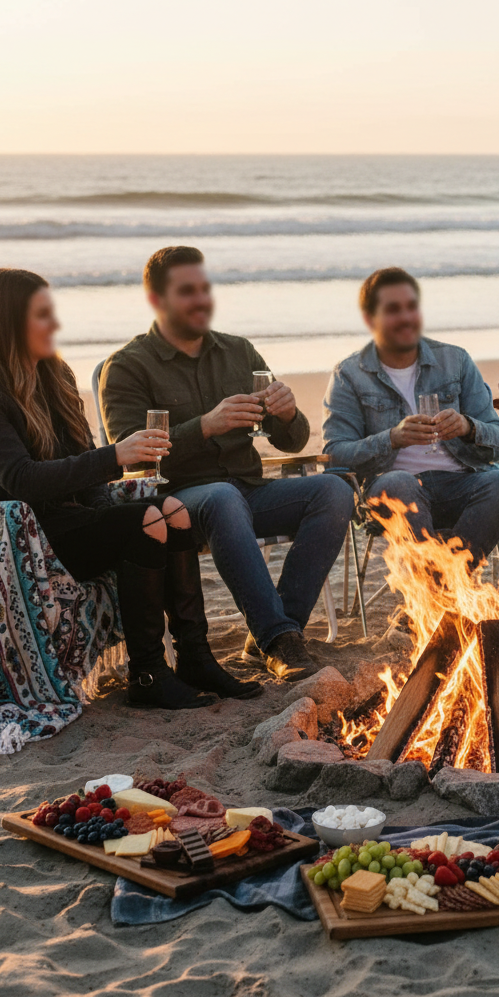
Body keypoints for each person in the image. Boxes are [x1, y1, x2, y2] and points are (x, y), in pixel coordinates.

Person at [0, 268, 261, 709]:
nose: (55, 325)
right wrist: (114, 457)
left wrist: (103, 506)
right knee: (146, 518)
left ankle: (195, 657)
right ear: (9, 322)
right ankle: (147, 674)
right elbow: (21, 480)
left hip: (70, 522)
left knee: (174, 509)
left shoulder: (53, 375)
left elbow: (81, 462)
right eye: (42, 315)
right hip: (23, 540)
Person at [99, 246, 355, 681]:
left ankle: (274, 633)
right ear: (157, 300)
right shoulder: (127, 367)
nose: (201, 299)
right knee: (221, 497)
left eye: (204, 288)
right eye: (187, 291)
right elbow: (131, 459)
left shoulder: (239, 352)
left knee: (334, 490)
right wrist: (205, 427)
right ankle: (279, 638)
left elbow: (290, 439)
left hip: (251, 492)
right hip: (178, 504)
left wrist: (289, 413)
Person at [323, 268, 499, 565]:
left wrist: (468, 427)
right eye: (392, 309)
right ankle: (446, 594)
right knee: (401, 482)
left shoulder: (455, 360)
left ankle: (442, 589)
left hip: (459, 483)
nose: (405, 317)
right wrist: (392, 439)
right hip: (392, 488)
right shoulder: (349, 375)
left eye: (411, 307)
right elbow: (335, 455)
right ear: (369, 318)